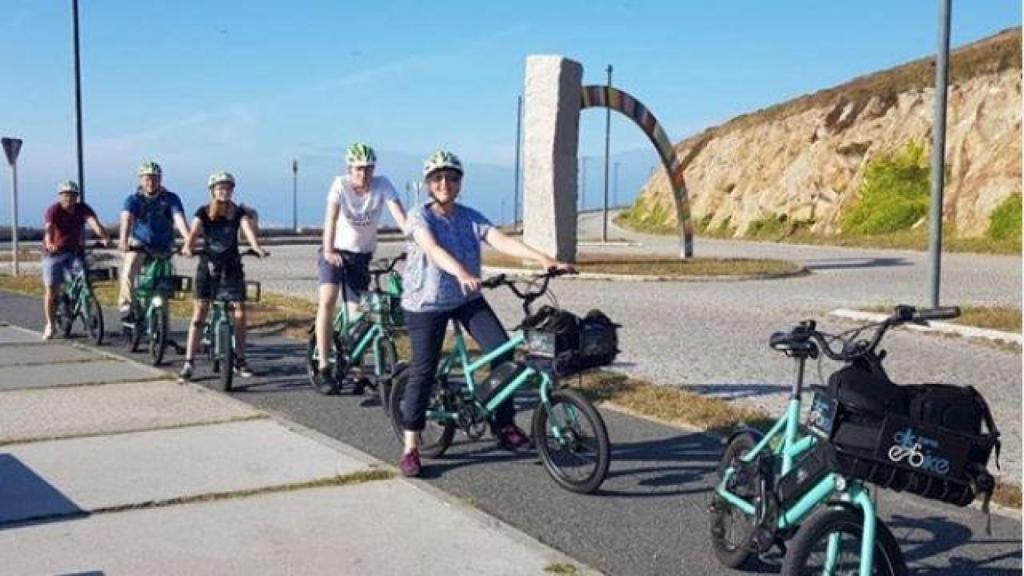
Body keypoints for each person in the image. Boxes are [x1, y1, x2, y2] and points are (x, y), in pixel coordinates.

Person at [396, 150, 573, 477]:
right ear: (428, 184)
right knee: (424, 369)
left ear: (460, 183)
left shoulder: (469, 216)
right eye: (438, 178)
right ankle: (410, 446)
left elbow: (500, 240)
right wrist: (462, 271)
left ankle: (503, 424)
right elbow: (432, 249)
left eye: (451, 178)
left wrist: (543, 259)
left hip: (466, 298)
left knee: (503, 353)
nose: (445, 183)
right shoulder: (419, 216)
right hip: (426, 303)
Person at [314, 142, 408, 386]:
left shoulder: (382, 184)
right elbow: (331, 219)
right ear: (349, 169)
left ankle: (358, 370)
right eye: (358, 168)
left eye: (368, 168)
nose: (363, 173)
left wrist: (417, 240)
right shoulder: (340, 184)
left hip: (361, 257)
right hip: (335, 252)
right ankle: (323, 365)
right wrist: (328, 250)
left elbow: (401, 217)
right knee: (328, 299)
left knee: (359, 316)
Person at [179, 171, 266, 382]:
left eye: (227, 188)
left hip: (232, 265)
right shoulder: (203, 212)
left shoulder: (238, 212)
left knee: (240, 311)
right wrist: (188, 247)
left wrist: (256, 247)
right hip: (208, 266)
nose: (223, 192)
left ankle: (240, 359)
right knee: (200, 312)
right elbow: (194, 232)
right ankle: (189, 362)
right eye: (219, 188)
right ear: (212, 191)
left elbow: (247, 229)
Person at [118, 161, 190, 319]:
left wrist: (188, 241)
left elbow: (179, 219)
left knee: (166, 279)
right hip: (140, 245)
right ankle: (126, 305)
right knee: (129, 269)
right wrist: (123, 241)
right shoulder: (134, 199)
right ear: (141, 180)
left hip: (163, 246)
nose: (150, 182)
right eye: (147, 179)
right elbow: (126, 219)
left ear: (160, 179)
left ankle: (162, 312)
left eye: (154, 178)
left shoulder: (170, 198)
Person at [40, 181, 111, 339]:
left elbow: (94, 223)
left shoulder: (82, 208)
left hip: (74, 251)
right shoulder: (54, 210)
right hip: (53, 253)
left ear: (77, 197)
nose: (69, 198)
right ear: (60, 196)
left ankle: (86, 304)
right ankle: (50, 324)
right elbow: (49, 228)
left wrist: (105, 237)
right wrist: (49, 242)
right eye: (65, 195)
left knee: (83, 275)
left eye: (72, 195)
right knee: (51, 289)